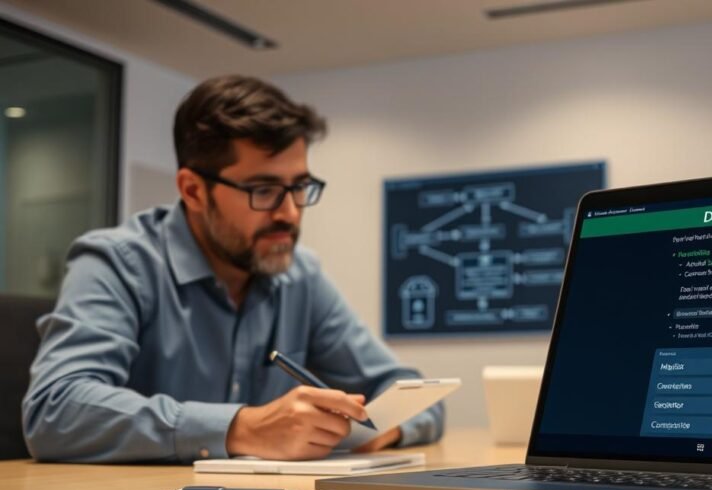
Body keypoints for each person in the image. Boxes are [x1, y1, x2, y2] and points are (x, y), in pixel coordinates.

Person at [22, 75, 443, 462]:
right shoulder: (119, 263)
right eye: (263, 189)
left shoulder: (301, 277)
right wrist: (243, 428)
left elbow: (412, 392)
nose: (289, 213)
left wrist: (383, 428)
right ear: (193, 190)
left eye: (299, 187)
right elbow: (54, 409)